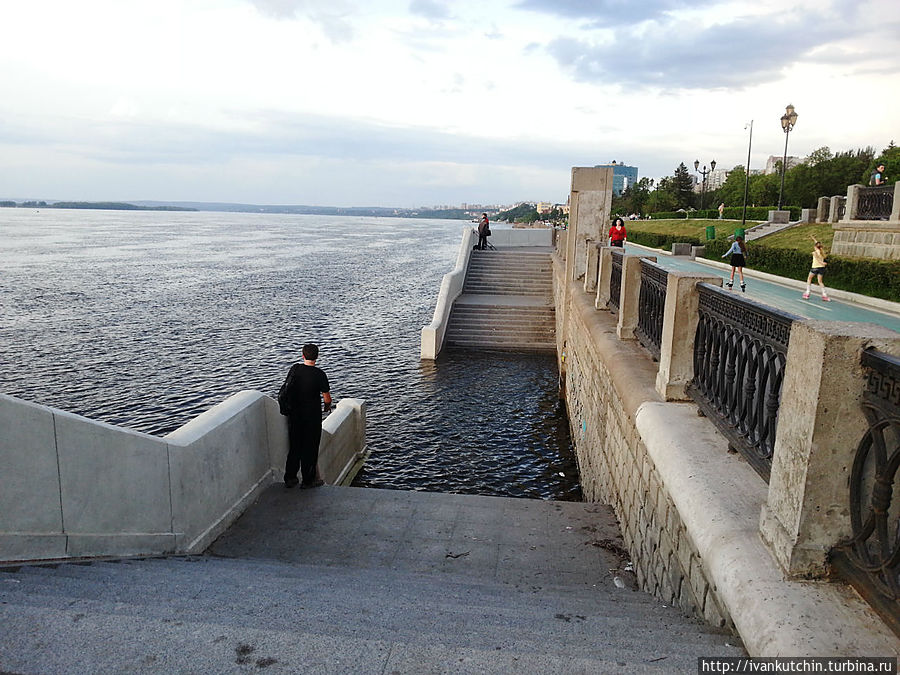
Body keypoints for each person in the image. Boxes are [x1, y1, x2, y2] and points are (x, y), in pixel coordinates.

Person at [277, 343, 332, 489]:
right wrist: (327, 407)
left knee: (295, 447)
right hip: (312, 417)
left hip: (294, 415)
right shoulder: (320, 374)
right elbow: (327, 398)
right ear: (317, 357)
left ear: (303, 355)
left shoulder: (295, 369)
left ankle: (290, 478)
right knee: (310, 448)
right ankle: (308, 481)